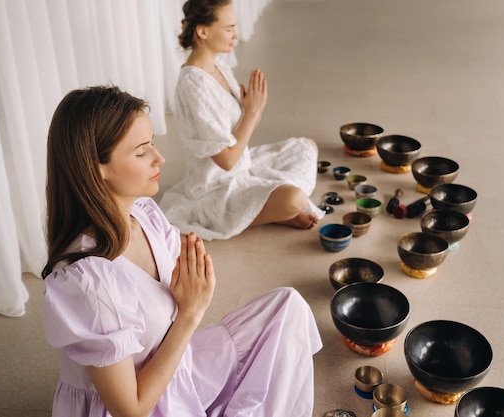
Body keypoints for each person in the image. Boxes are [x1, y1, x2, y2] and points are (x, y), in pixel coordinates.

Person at [41, 85, 322, 417]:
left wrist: (192, 288)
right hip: (141, 403)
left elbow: (179, 290)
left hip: (174, 368)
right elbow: (130, 409)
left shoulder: (145, 213)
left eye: (153, 144)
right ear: (96, 167)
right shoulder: (90, 281)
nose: (159, 158)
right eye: (141, 151)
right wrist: (189, 315)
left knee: (286, 307)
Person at [158, 0, 324, 240]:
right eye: (228, 28)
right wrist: (252, 112)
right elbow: (226, 160)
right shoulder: (193, 84)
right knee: (294, 199)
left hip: (244, 166)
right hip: (216, 187)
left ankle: (270, 208)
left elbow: (241, 130)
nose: (235, 34)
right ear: (203, 31)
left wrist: (252, 109)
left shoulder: (220, 67)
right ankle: (272, 214)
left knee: (306, 146)